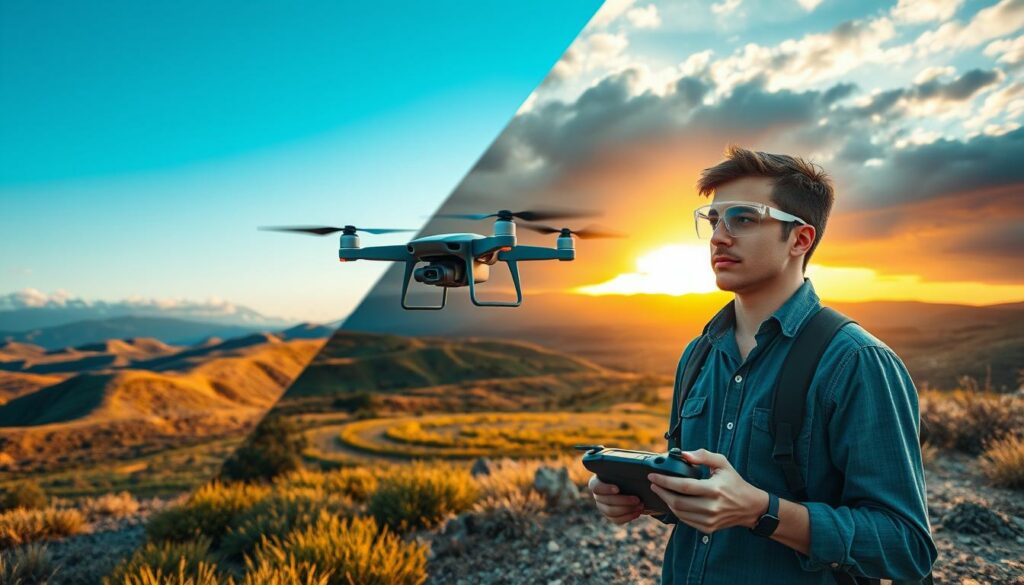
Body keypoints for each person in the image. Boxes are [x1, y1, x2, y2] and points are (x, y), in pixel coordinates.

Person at [587, 146, 937, 584]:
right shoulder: (699, 355)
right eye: (714, 220)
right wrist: (646, 496)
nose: (719, 236)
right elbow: (704, 500)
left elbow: (906, 546)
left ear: (800, 239)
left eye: (744, 218)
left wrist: (761, 511)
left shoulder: (857, 363)